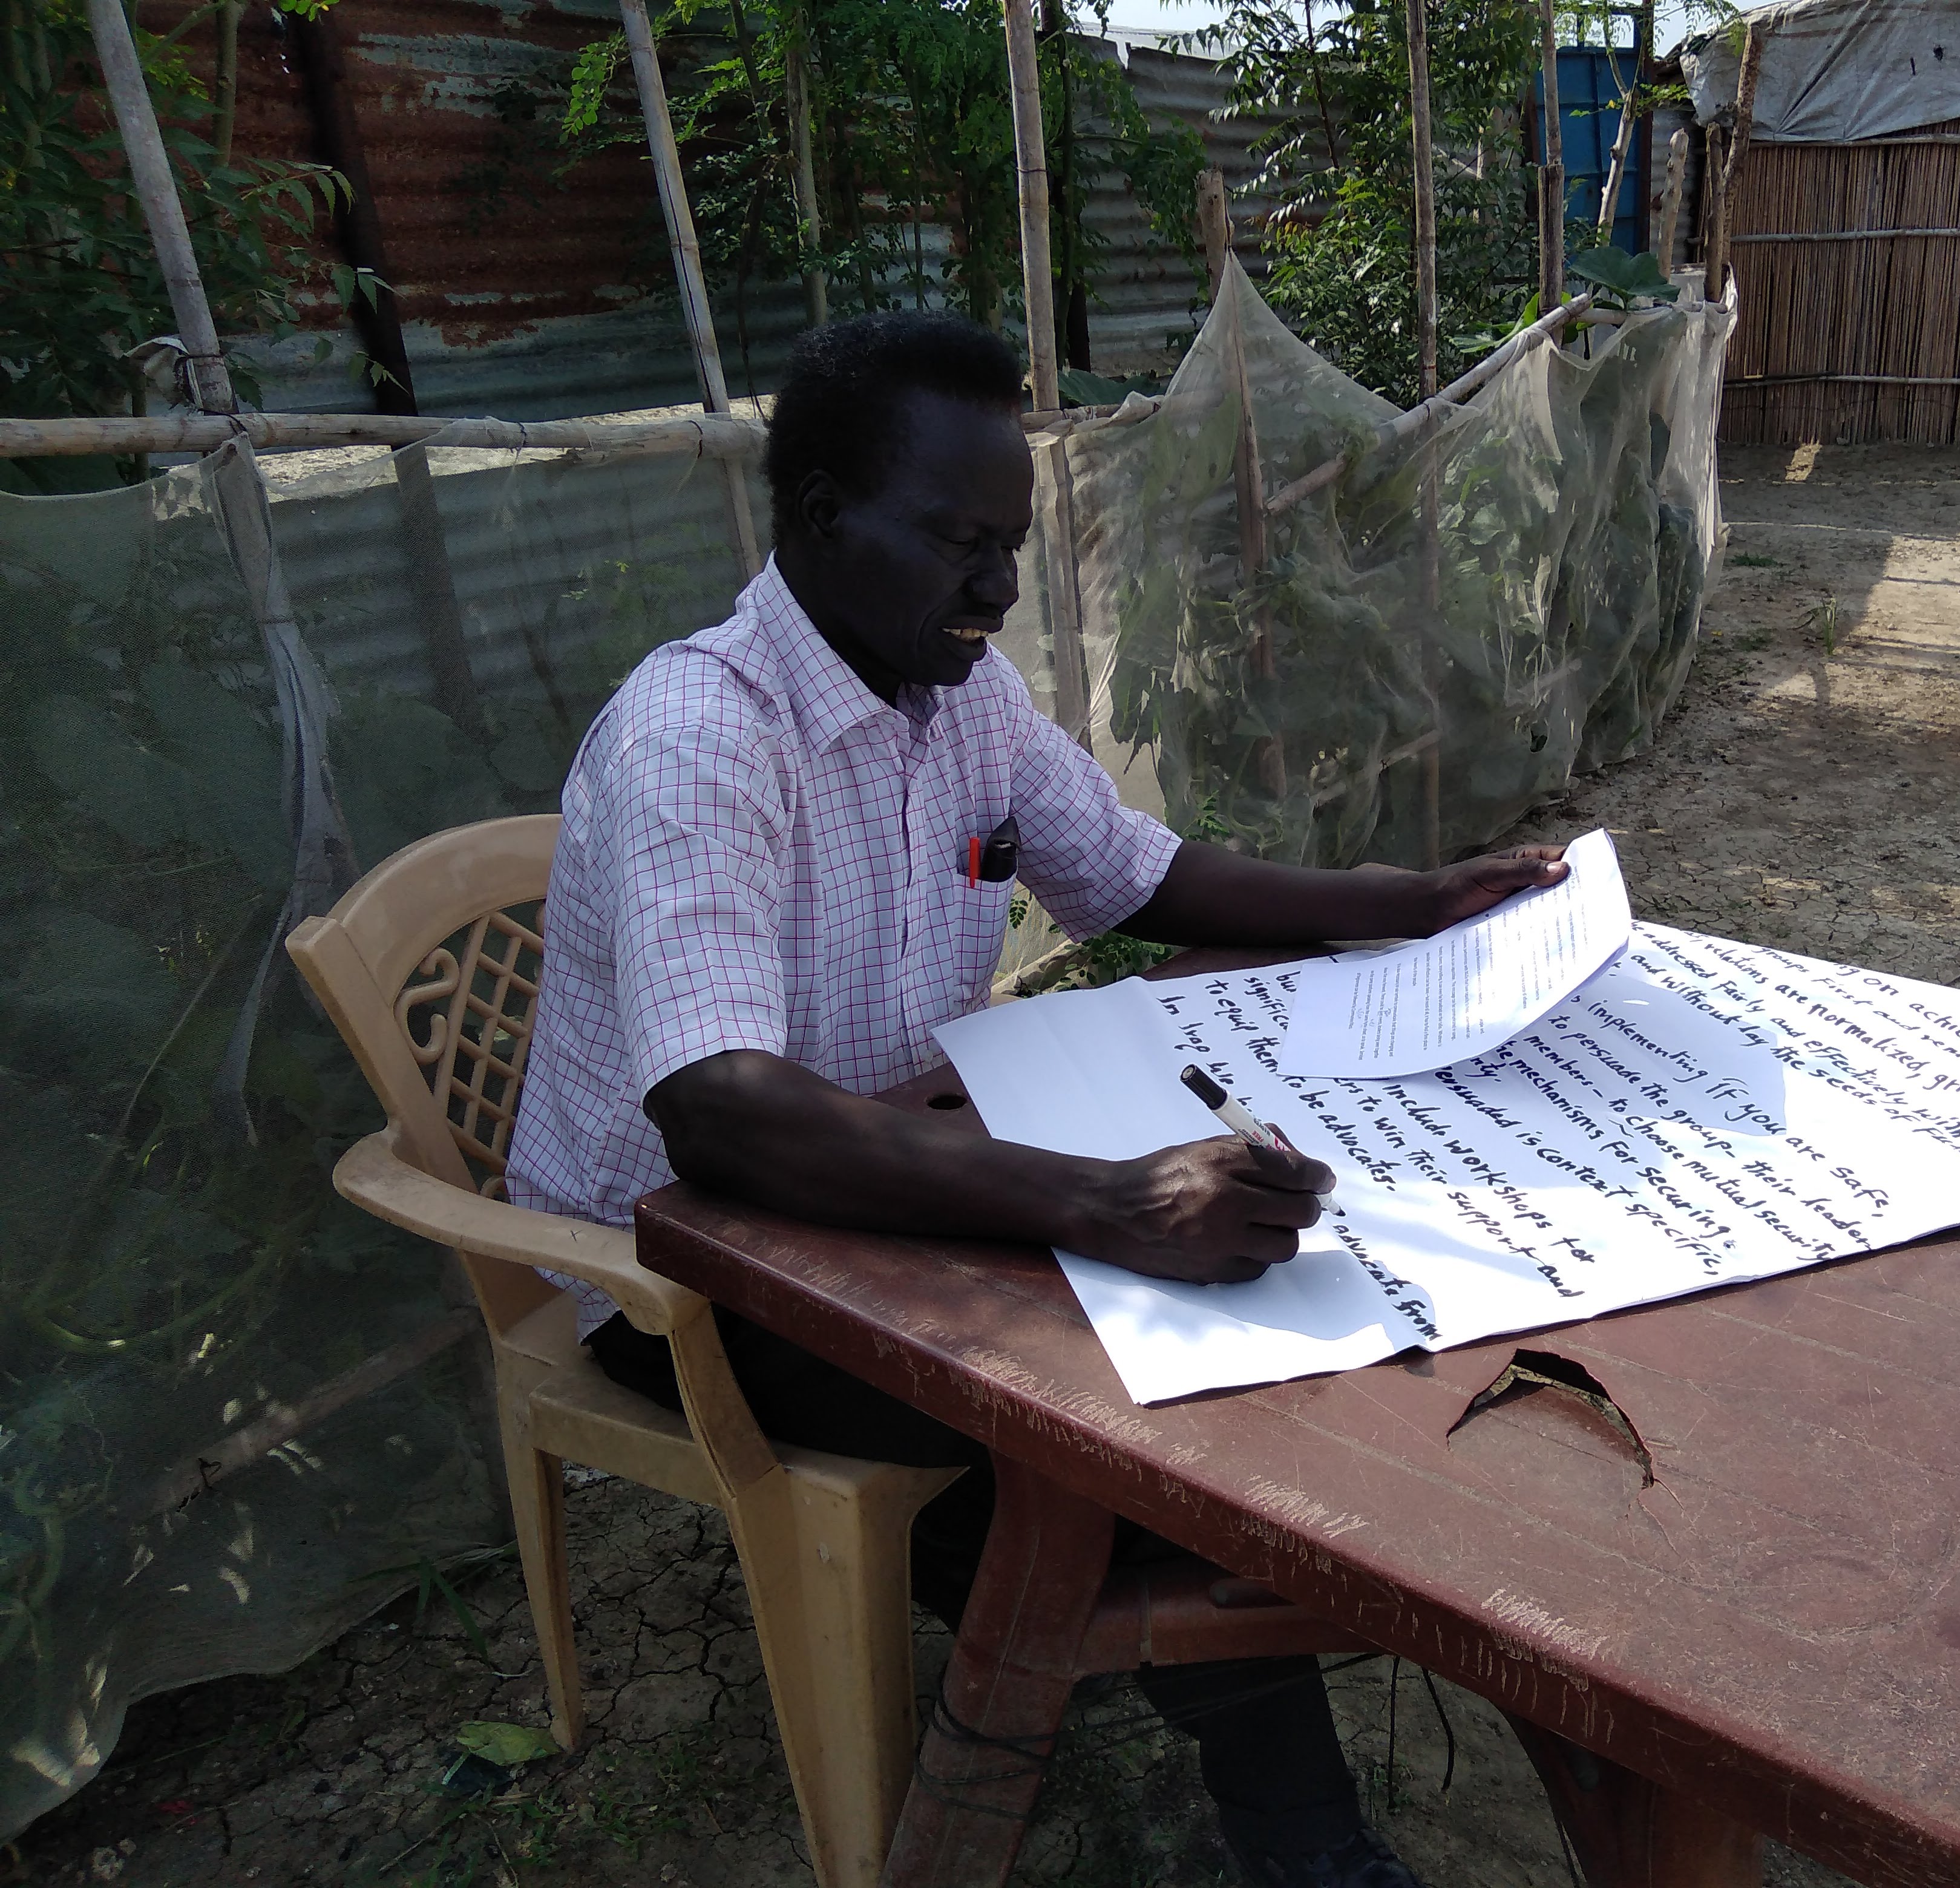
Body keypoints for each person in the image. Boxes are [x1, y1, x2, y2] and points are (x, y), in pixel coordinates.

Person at [505, 309, 1564, 1888]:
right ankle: (1303, 1845)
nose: (996, 588)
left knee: (1195, 1363)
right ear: (814, 522)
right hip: (680, 1261)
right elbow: (719, 1111)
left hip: (889, 1154)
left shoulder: (963, 697)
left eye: (1008, 542)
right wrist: (1110, 1201)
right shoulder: (703, 740)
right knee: (1139, 1439)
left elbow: (1142, 875)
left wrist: (1411, 901)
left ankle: (1025, 1582)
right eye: (954, 541)